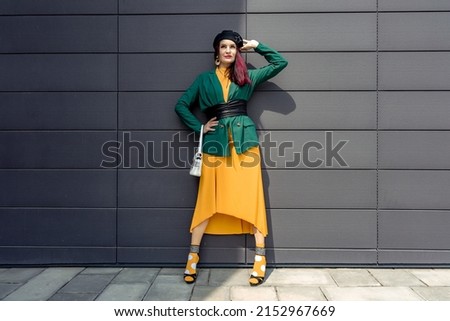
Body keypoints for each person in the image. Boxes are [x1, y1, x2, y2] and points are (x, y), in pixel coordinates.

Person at [175, 30, 288, 286]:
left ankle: (260, 259)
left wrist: (256, 45)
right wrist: (200, 128)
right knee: (207, 199)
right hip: (215, 147)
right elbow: (181, 105)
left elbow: (280, 62)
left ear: (237, 52)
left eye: (233, 47)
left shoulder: (247, 77)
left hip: (245, 145)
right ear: (216, 52)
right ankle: (192, 256)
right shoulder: (203, 80)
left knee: (252, 198)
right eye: (223, 46)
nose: (228, 50)